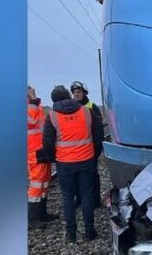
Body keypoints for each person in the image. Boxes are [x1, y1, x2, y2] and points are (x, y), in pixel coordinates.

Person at [38, 85, 101, 243]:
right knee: (87, 195)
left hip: (65, 164)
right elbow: (98, 136)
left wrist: (55, 159)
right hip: (86, 160)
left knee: (67, 198)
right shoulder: (87, 112)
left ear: (53, 100)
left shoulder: (52, 116)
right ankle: (90, 231)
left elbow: (47, 143)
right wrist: (93, 155)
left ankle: (71, 234)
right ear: (68, 95)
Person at [69, 80, 104, 208]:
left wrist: (97, 147)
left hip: (91, 148)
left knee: (92, 174)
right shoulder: (70, 107)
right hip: (76, 149)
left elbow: (99, 129)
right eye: (74, 92)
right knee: (76, 176)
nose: (76, 94)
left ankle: (96, 200)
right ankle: (79, 199)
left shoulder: (92, 106)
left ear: (84, 93)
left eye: (79, 92)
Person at [27, 86, 54, 226]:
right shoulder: (28, 107)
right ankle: (32, 218)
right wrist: (32, 101)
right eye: (30, 90)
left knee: (44, 182)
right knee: (36, 184)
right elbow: (30, 121)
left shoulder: (36, 106)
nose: (33, 91)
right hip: (33, 151)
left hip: (42, 149)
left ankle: (42, 214)